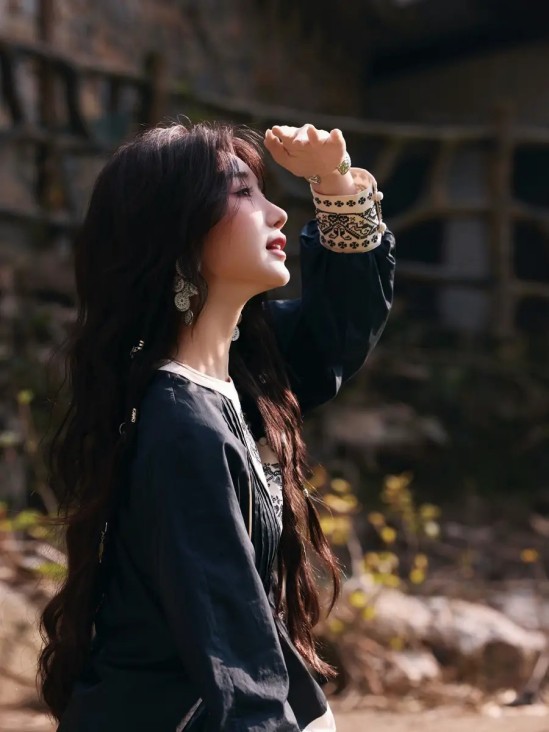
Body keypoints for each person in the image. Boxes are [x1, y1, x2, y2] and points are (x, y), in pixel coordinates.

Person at [37, 120, 396, 731]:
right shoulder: (183, 427)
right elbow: (232, 649)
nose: (277, 213)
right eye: (242, 192)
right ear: (177, 233)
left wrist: (334, 182)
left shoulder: (239, 374)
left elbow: (343, 326)